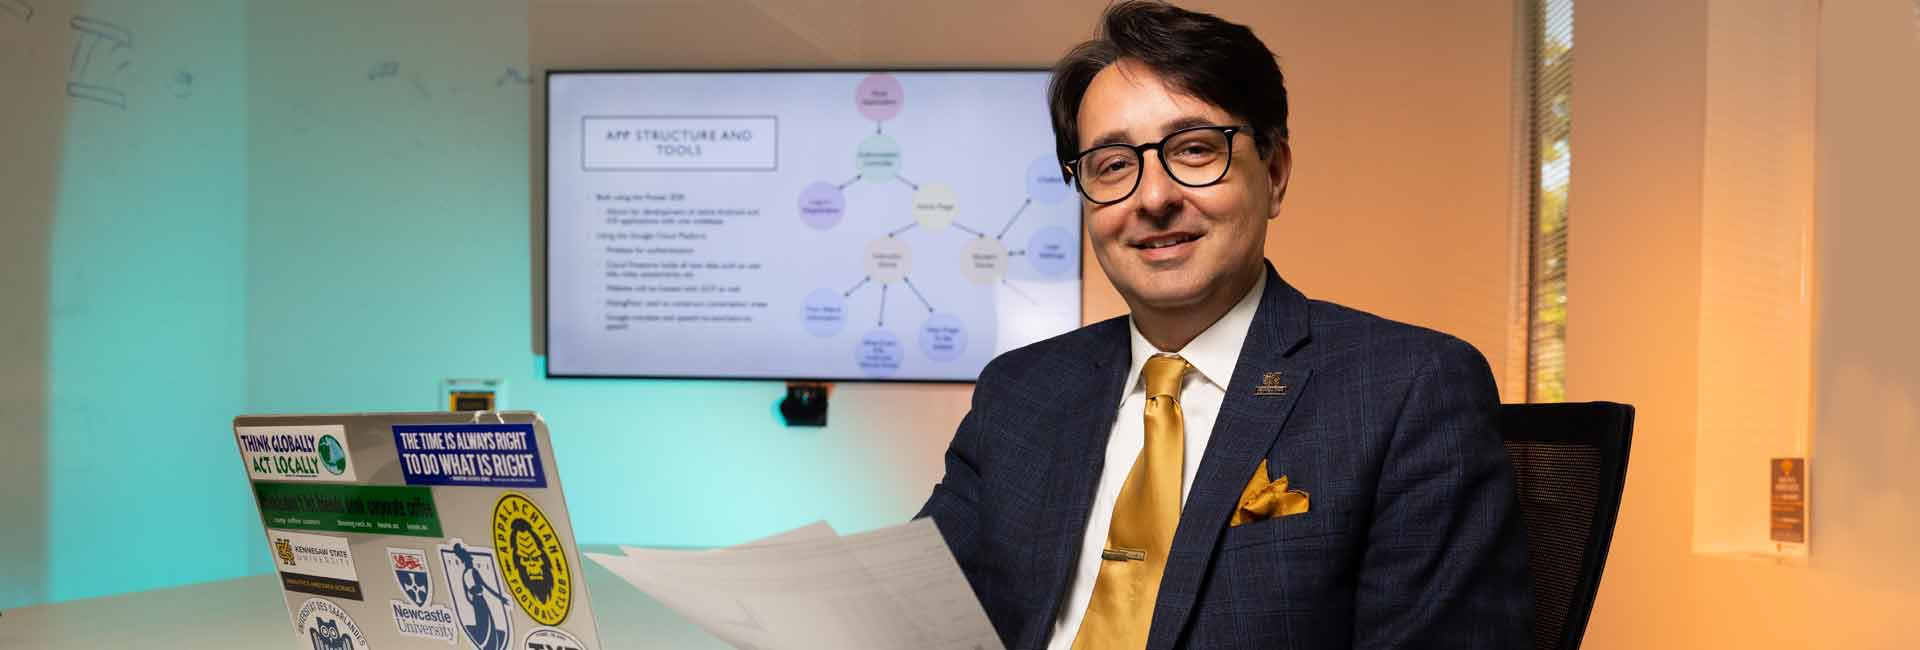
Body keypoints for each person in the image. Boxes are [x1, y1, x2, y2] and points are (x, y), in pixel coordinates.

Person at [915, 2, 1534, 648]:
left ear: (1274, 173)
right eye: (1113, 165)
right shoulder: (1019, 392)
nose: (1153, 198)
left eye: (1194, 149)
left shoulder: (1408, 391)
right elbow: (909, 612)